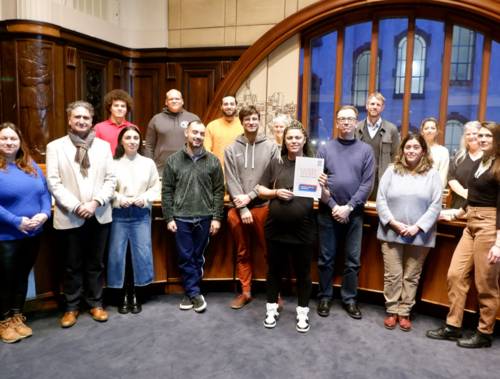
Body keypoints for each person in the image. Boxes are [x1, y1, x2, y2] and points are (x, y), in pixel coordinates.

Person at [427, 122, 500, 348]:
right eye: (480, 135)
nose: (482, 139)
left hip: (490, 225)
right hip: (471, 220)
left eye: (488, 136)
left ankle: (484, 332)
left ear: (497, 139)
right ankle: (453, 326)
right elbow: (475, 196)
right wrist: (457, 212)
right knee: (455, 274)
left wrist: (499, 242)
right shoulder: (482, 162)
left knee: (486, 283)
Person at [46, 101, 116, 328]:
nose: (82, 121)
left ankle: (96, 303)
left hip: (99, 213)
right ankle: (71, 307)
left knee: (96, 263)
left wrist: (95, 202)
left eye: (86, 118)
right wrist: (77, 206)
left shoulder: (104, 147)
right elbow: (54, 183)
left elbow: (111, 180)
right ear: (69, 119)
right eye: (77, 117)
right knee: (71, 264)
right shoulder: (55, 146)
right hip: (70, 214)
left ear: (92, 120)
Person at [376, 133, 442, 331]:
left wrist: (417, 227)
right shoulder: (391, 171)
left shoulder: (432, 174)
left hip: (419, 234)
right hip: (391, 231)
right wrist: (393, 223)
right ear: (402, 149)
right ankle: (392, 310)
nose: (411, 150)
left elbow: (436, 204)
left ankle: (404, 312)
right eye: (408, 147)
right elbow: (381, 200)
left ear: (423, 150)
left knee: (411, 275)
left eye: (415, 147)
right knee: (393, 275)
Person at [257, 120, 316, 333]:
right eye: (289, 137)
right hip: (276, 229)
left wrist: (325, 187)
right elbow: (260, 188)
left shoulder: (313, 164)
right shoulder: (276, 163)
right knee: (274, 271)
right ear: (284, 140)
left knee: (303, 273)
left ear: (304, 140)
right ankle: (271, 309)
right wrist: (275, 193)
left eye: (297, 137)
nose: (293, 141)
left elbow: (324, 197)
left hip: (304, 229)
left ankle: (302, 314)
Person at [317, 105, 375, 319]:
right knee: (326, 257)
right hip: (327, 211)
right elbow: (317, 181)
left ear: (356, 122)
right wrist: (334, 206)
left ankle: (350, 299)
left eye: (350, 119)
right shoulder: (325, 149)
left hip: (355, 213)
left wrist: (348, 207)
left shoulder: (366, 150)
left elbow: (367, 183)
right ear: (337, 122)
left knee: (352, 260)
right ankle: (324, 296)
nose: (346, 123)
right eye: (342, 119)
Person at [162, 120, 224, 313]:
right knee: (185, 256)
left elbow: (218, 191)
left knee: (197, 257)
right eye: (194, 132)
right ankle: (195, 293)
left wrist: (216, 217)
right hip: (181, 218)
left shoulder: (213, 160)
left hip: (205, 217)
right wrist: (169, 217)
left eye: (201, 133)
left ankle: (190, 292)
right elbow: (167, 191)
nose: (198, 136)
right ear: (186, 134)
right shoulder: (173, 160)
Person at [224, 105, 280, 309]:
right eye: (247, 119)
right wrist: (243, 207)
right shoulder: (231, 149)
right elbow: (231, 180)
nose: (251, 122)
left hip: (263, 207)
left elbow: (272, 179)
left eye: (255, 118)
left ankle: (275, 293)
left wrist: (251, 196)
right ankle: (245, 291)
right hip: (238, 210)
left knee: (269, 251)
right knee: (242, 252)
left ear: (259, 120)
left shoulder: (271, 147)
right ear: (242, 122)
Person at [0, 123, 51, 344]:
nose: (9, 142)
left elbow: (44, 193)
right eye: (4, 139)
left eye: (13, 138)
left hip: (32, 233)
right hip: (6, 236)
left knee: (22, 276)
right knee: (4, 279)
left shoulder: (30, 165)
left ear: (20, 141)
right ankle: (3, 320)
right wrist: (16, 221)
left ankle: (17, 316)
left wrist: (44, 214)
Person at [107, 126, 160, 314]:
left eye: (136, 138)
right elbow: (106, 187)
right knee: (118, 255)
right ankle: (122, 294)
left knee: (140, 254)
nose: (132, 141)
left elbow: (156, 186)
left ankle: (136, 293)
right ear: (121, 141)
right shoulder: (112, 163)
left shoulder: (148, 163)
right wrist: (119, 199)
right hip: (119, 215)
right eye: (128, 137)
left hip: (140, 214)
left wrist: (144, 198)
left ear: (140, 141)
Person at [356, 92, 399, 200]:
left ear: (382, 108)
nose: (374, 107)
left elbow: (396, 156)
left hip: (382, 179)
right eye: (372, 104)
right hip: (359, 179)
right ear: (367, 106)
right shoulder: (357, 128)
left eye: (378, 105)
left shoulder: (391, 129)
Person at [145, 89, 200, 171]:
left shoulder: (193, 119)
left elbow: (200, 143)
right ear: (166, 102)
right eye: (171, 99)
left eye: (177, 99)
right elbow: (149, 146)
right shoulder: (156, 119)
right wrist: (149, 167)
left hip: (188, 168)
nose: (174, 101)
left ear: (182, 101)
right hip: (161, 169)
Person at [447, 121, 483, 209]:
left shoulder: (489, 158)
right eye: (468, 134)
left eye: (475, 133)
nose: (471, 136)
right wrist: (463, 192)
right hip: (458, 204)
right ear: (464, 137)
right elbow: (451, 177)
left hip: (480, 205)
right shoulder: (458, 157)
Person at [204, 95, 243, 166]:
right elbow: (206, 150)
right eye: (225, 104)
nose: (229, 107)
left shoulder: (244, 125)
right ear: (221, 107)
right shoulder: (212, 126)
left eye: (232, 104)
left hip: (239, 172)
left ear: (236, 106)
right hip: (217, 172)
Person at [94, 89, 135, 154]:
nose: (120, 108)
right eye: (116, 105)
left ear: (127, 109)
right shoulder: (99, 128)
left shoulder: (133, 128)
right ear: (110, 108)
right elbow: (94, 150)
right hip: (105, 163)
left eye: (123, 106)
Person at [420, 117, 450, 188]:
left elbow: (443, 175)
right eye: (426, 128)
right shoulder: (416, 149)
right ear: (422, 132)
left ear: (437, 132)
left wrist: (437, 191)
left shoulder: (443, 151)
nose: (429, 130)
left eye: (432, 128)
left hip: (433, 189)